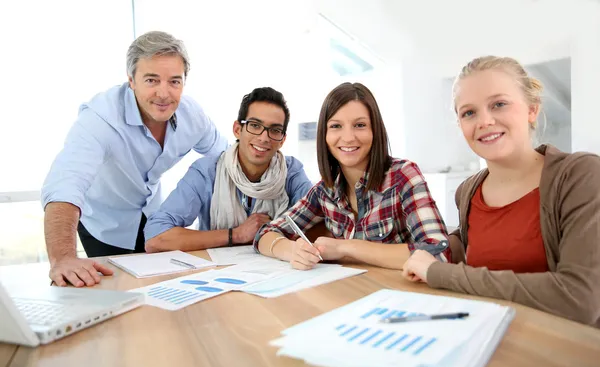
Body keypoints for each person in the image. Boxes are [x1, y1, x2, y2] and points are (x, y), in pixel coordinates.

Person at [402, 56, 600, 327]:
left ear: (532, 109)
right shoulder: (467, 192)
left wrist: (441, 274)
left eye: (499, 104)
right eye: (469, 113)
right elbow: (471, 244)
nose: (484, 121)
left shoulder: (581, 175)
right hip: (485, 337)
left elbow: (579, 299)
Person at [41, 31, 229, 287]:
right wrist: (62, 258)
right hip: (105, 221)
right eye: (152, 80)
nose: (164, 93)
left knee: (162, 287)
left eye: (174, 81)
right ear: (131, 80)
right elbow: (65, 185)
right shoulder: (100, 120)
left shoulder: (191, 115)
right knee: (116, 291)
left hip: (153, 213)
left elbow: (227, 159)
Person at [255, 82, 449, 270]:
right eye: (336, 126)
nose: (348, 137)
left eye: (360, 125)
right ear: (324, 134)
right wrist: (291, 251)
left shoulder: (403, 176)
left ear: (375, 130)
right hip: (351, 292)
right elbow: (265, 233)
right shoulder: (325, 191)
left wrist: (346, 247)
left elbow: (438, 253)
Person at [144, 87, 313, 252]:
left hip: (278, 270)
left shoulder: (291, 172)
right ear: (237, 130)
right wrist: (236, 235)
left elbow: (319, 224)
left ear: (282, 140)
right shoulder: (206, 172)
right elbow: (155, 237)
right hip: (217, 273)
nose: (263, 138)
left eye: (275, 130)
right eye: (255, 125)